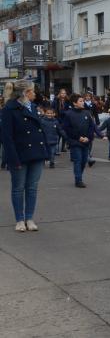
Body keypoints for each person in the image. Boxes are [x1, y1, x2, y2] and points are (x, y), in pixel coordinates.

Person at [1, 80, 48, 232]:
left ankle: (29, 218)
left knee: (32, 188)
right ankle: (20, 220)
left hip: (36, 153)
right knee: (18, 188)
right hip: (19, 155)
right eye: (32, 91)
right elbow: (6, 137)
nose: (35, 93)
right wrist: (13, 159)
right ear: (25, 93)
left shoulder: (33, 107)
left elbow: (39, 131)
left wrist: (45, 151)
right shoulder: (9, 109)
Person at [62, 93, 98, 188]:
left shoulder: (87, 113)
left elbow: (92, 126)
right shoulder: (68, 114)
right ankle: (78, 180)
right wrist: (78, 137)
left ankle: (79, 176)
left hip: (86, 141)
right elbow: (67, 128)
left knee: (83, 161)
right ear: (74, 103)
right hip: (75, 141)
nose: (83, 102)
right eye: (81, 101)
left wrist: (88, 138)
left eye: (83, 101)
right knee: (78, 160)